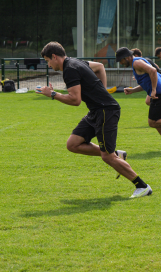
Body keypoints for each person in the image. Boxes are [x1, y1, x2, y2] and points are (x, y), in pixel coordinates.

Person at [37, 42, 152, 199]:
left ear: (54, 56)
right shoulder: (75, 61)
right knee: (73, 144)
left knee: (107, 156)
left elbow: (75, 100)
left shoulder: (69, 69)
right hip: (96, 110)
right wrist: (102, 91)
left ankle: (142, 186)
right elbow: (99, 67)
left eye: (47, 60)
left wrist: (52, 94)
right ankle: (118, 154)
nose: (48, 65)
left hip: (105, 111)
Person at [116, 47, 161, 151]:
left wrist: (154, 90)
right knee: (156, 121)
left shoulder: (136, 63)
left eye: (121, 60)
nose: (120, 63)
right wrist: (133, 90)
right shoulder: (137, 62)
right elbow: (146, 82)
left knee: (152, 122)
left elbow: (153, 70)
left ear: (127, 57)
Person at [131, 48, 161, 116]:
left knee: (149, 102)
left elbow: (153, 70)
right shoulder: (146, 60)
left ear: (135, 55)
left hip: (156, 83)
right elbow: (156, 66)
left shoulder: (139, 62)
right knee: (152, 102)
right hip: (158, 81)